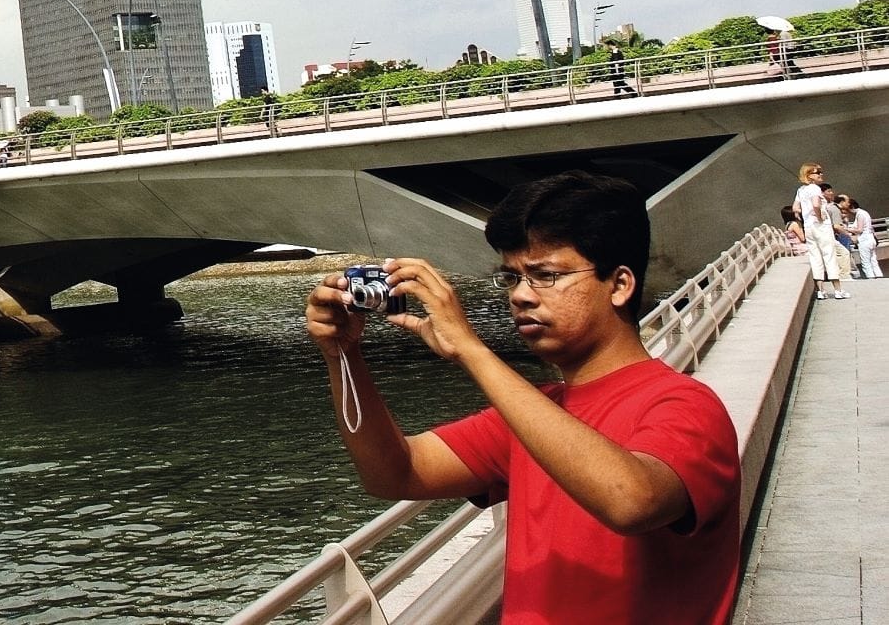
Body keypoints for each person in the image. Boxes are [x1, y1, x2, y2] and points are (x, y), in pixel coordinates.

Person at [306, 172, 741, 625]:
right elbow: (395, 474)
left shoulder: (685, 405)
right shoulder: (534, 410)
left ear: (620, 284)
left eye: (546, 276)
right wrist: (343, 356)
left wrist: (472, 350)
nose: (520, 296)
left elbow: (631, 500)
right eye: (512, 277)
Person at [793, 163, 849, 300]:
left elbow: (795, 208)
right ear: (809, 175)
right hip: (821, 226)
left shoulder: (801, 190)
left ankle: (821, 290)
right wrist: (819, 216)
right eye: (817, 172)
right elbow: (816, 204)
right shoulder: (815, 189)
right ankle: (838, 290)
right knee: (829, 254)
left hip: (808, 227)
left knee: (815, 256)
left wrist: (805, 213)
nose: (820, 174)